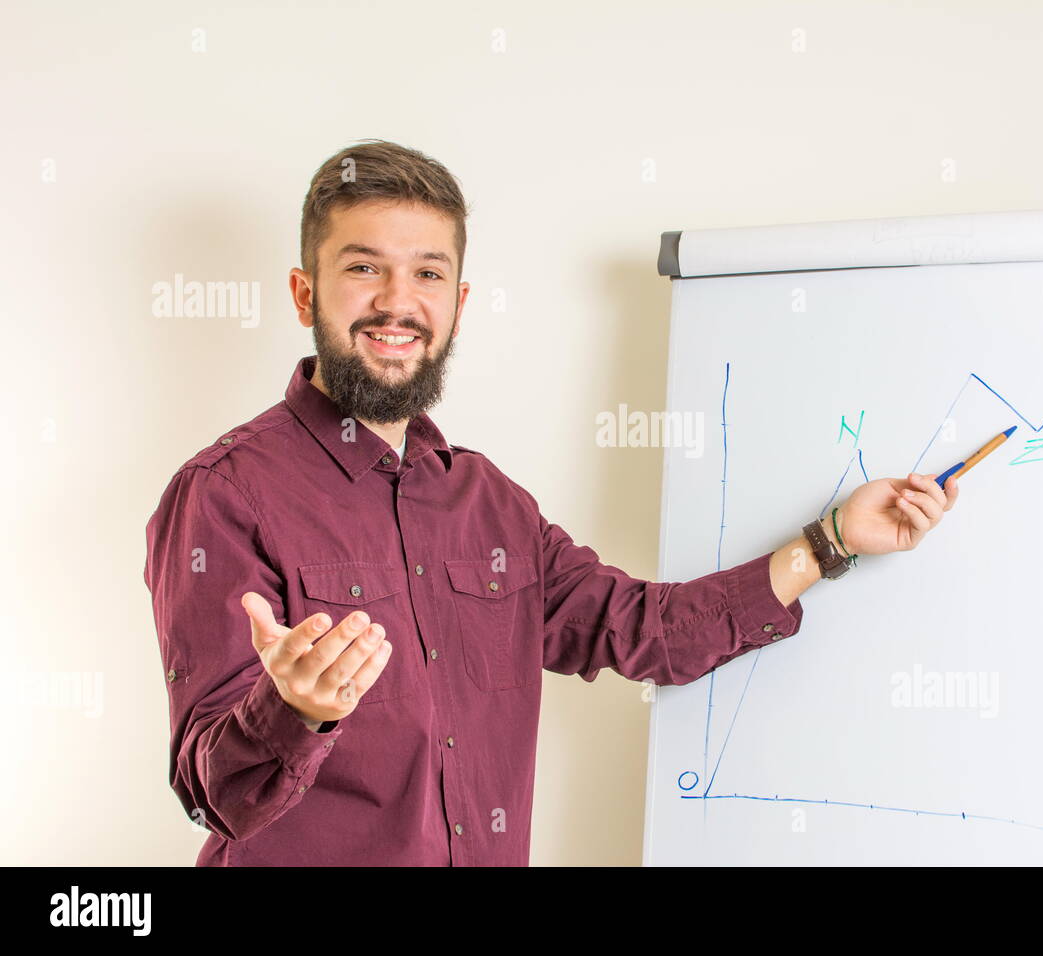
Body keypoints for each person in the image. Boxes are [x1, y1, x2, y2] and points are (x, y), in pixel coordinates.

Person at [142, 139, 959, 866]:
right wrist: (293, 711)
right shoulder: (224, 495)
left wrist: (829, 542)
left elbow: (646, 629)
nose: (398, 301)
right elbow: (210, 792)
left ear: (458, 304)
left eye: (427, 273)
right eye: (363, 268)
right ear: (302, 292)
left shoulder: (491, 506)